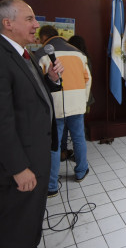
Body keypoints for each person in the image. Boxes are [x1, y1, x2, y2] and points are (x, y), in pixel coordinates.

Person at [0, 0, 64, 247]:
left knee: (29, 226)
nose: (37, 24)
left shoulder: (24, 54)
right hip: (21, 166)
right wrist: (18, 168)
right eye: (29, 19)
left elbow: (30, 96)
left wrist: (51, 81)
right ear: (8, 23)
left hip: (36, 157)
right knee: (16, 232)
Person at [37, 25, 92, 198]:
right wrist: (82, 100)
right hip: (77, 103)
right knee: (78, 138)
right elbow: (88, 78)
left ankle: (52, 186)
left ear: (44, 38)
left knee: (54, 144)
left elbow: (38, 84)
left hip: (55, 106)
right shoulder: (78, 53)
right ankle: (81, 172)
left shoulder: (39, 54)